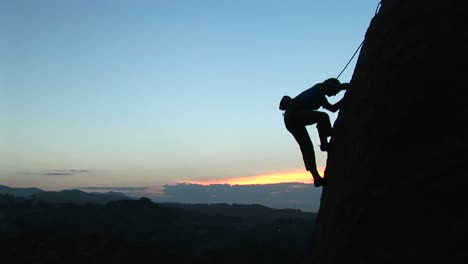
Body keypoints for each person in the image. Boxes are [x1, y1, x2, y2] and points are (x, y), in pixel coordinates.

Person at [279, 78, 349, 187]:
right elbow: (339, 87)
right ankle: (324, 144)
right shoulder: (322, 87)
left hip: (290, 119)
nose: (335, 95)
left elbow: (333, 108)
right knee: (323, 117)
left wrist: (345, 99)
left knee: (307, 147)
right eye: (335, 93)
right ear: (330, 85)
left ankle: (316, 178)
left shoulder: (321, 95)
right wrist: (353, 86)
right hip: (294, 113)